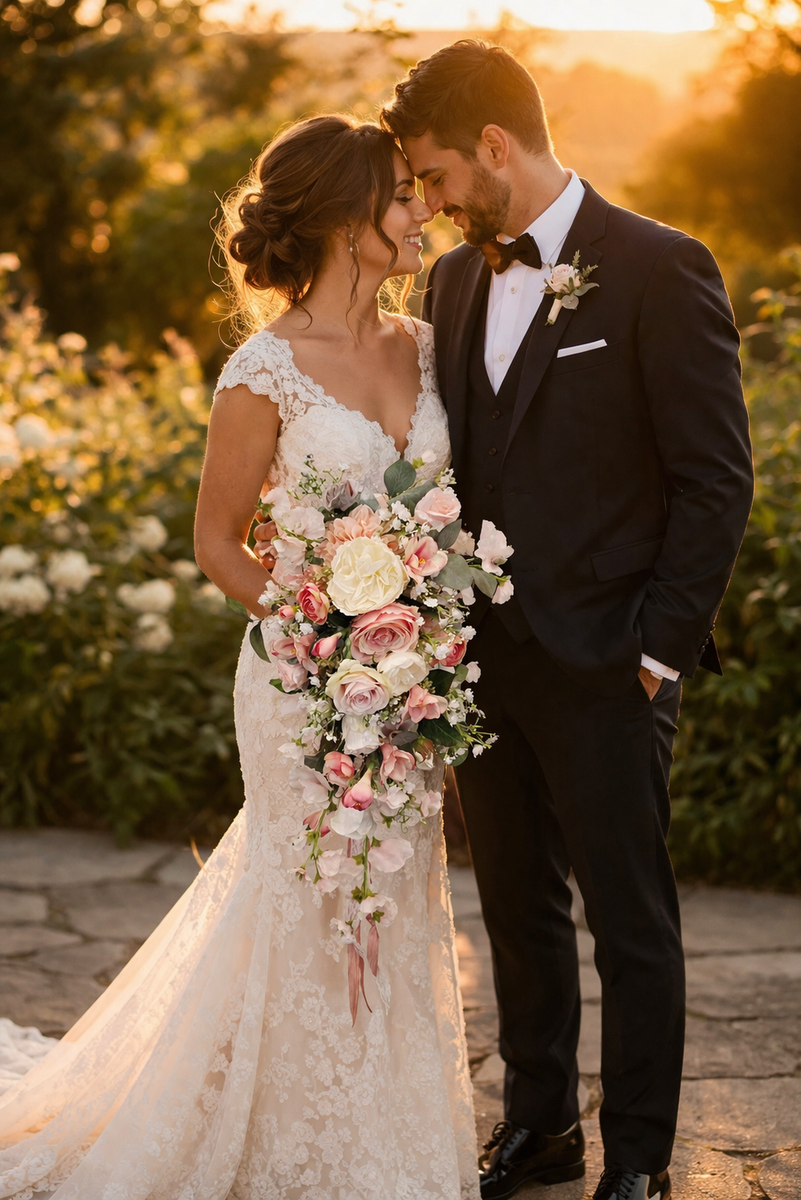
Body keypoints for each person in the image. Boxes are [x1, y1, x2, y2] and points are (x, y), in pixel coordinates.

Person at [0, 115, 480, 1200]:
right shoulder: (262, 372)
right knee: (306, 893)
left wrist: (410, 648)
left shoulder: (425, 343)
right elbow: (218, 543)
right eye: (401, 196)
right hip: (303, 680)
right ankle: (287, 1141)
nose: (421, 213)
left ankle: (382, 1141)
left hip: (409, 681)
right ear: (347, 221)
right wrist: (327, 637)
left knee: (396, 893)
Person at [379, 39, 755, 1200]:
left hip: (610, 661)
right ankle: (541, 1125)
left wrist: (658, 650)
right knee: (516, 908)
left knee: (630, 923)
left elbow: (714, 480)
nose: (430, 204)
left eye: (437, 176)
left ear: (495, 146)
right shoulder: (451, 284)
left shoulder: (658, 266)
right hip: (484, 660)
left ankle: (636, 1157)